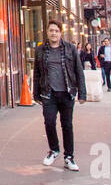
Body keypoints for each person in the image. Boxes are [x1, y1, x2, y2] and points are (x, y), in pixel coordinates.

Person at [33, 18, 86, 171]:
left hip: (67, 93)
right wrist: (36, 93)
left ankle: (69, 157)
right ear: (47, 32)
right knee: (49, 123)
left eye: (56, 31)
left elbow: (79, 71)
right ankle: (54, 150)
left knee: (67, 125)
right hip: (48, 94)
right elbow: (37, 73)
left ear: (61, 33)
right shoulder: (40, 50)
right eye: (51, 30)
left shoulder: (70, 49)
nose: (54, 33)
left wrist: (82, 93)